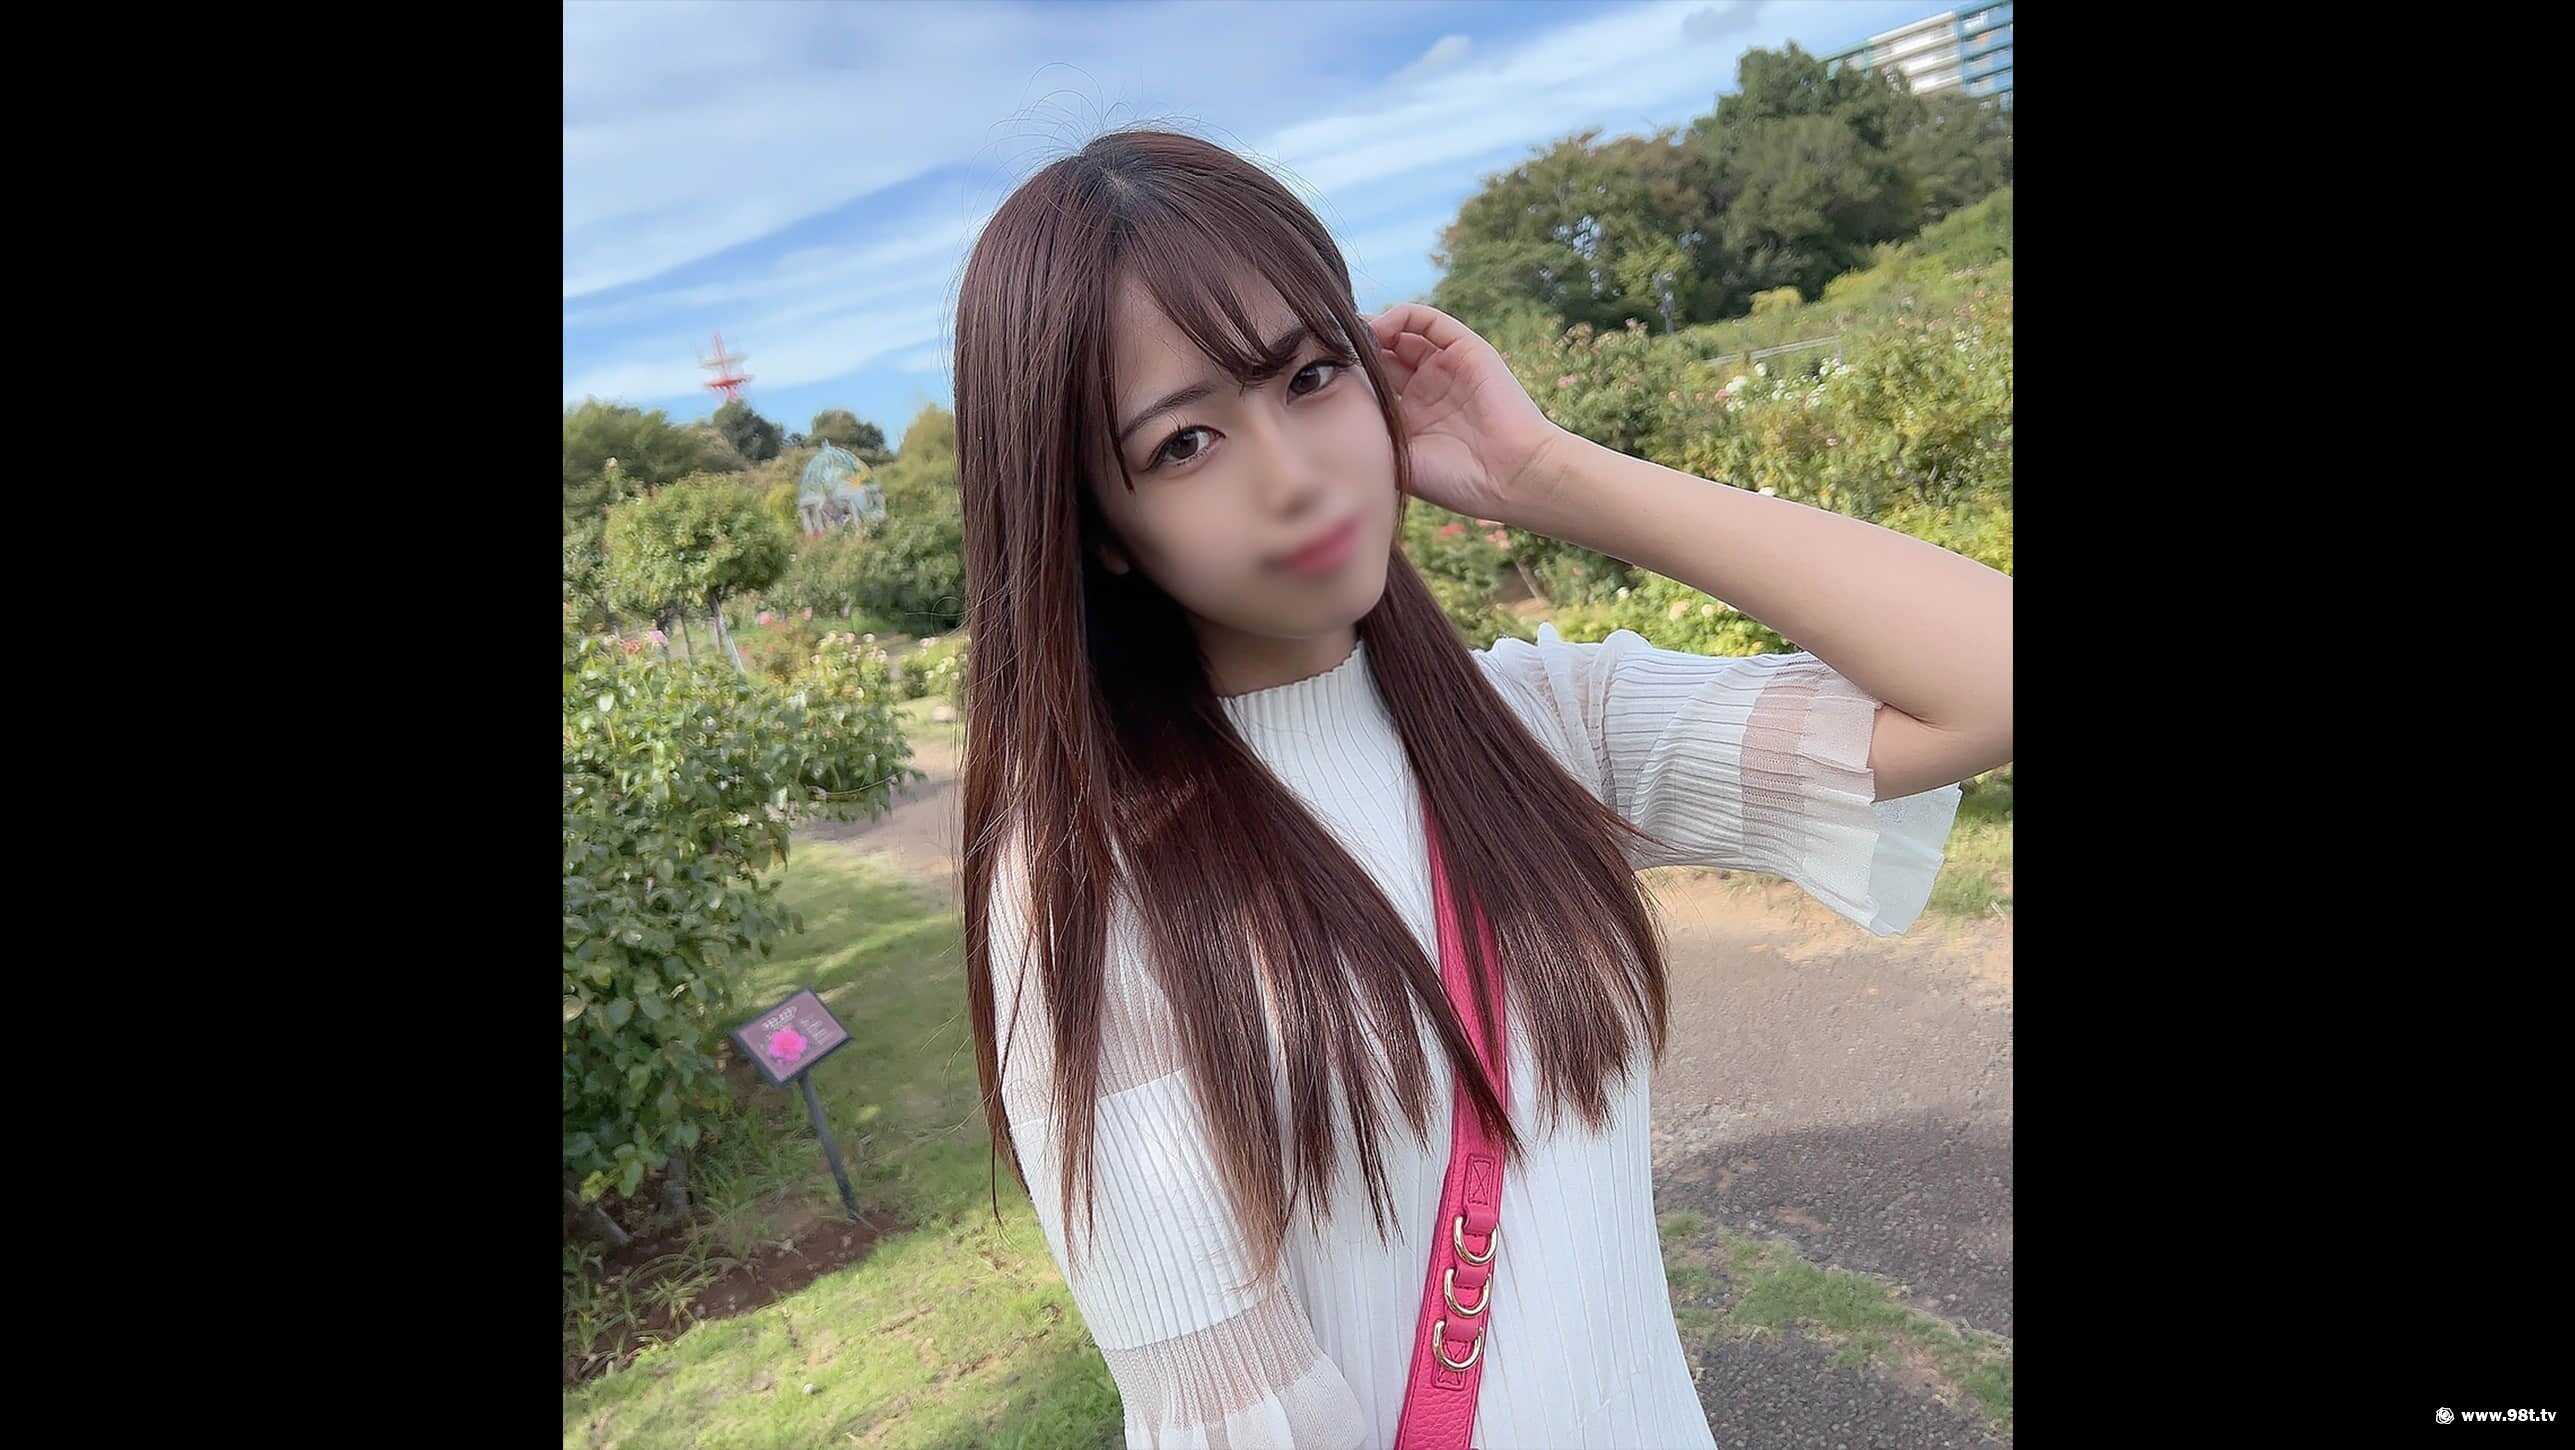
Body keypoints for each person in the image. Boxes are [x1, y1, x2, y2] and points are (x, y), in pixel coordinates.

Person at [952, 128, 2011, 1449]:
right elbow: (1237, 1417)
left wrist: (1546, 474)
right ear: (1100, 529)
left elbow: (1988, 681)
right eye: (1186, 442)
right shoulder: (1089, 884)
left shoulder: (1541, 727)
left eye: (1311, 374)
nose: (1295, 475)